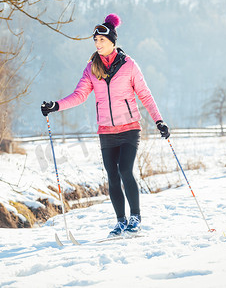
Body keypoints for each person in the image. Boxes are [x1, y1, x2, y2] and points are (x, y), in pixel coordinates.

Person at [41, 13, 170, 238]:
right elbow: (79, 95)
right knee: (112, 176)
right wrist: (56, 105)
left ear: (112, 41)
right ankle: (120, 222)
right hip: (106, 131)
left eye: (101, 40)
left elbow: (145, 95)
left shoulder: (129, 65)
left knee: (125, 170)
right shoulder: (92, 67)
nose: (97, 44)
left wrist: (159, 120)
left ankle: (135, 218)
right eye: (95, 41)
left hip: (129, 128)